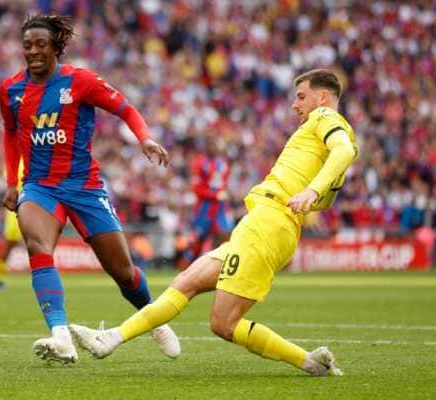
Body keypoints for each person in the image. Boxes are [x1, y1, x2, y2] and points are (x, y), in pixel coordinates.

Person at [70, 69, 358, 376]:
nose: (294, 105)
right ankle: (109, 339)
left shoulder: (326, 117)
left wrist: (311, 190)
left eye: (301, 96)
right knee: (186, 282)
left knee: (223, 324)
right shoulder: (320, 138)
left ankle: (308, 362)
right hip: (264, 222)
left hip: (270, 224)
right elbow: (330, 191)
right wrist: (315, 191)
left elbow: (344, 150)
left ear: (323, 97)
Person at [0, 14, 179, 364]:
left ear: (55, 47)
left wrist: (144, 138)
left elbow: (125, 109)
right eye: (27, 46)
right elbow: (9, 133)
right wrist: (11, 181)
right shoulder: (10, 89)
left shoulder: (80, 81)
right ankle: (60, 334)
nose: (33, 51)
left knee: (123, 272)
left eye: (40, 44)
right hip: (40, 187)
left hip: (85, 188)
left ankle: (153, 318)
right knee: (36, 244)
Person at [180, 138, 233, 269]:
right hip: (204, 209)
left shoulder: (223, 164)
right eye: (212, 145)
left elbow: (224, 185)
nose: (214, 148)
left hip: (220, 208)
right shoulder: (199, 163)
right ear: (207, 147)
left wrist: (225, 193)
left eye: (216, 145)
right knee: (198, 239)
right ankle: (184, 266)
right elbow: (197, 188)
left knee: (225, 235)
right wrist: (215, 195)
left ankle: (222, 267)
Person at [0, 162, 25, 290]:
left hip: (33, 204)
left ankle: (45, 275)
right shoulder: (15, 162)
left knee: (39, 243)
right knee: (9, 246)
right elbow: (6, 184)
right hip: (15, 208)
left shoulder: (35, 155)